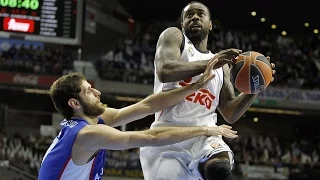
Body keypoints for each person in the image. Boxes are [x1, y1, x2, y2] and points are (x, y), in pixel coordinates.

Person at [139, 1, 276, 180]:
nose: (195, 17)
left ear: (210, 24)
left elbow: (229, 112)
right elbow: (165, 71)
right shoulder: (174, 37)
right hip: (168, 136)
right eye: (189, 15)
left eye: (200, 14)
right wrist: (212, 64)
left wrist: (255, 87)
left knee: (220, 168)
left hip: (205, 134)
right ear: (182, 24)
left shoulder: (222, 66)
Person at [38, 59, 238, 180]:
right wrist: (205, 129)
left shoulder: (90, 120)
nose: (97, 92)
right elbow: (152, 137)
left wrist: (192, 88)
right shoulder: (87, 134)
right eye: (88, 91)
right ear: (75, 104)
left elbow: (147, 106)